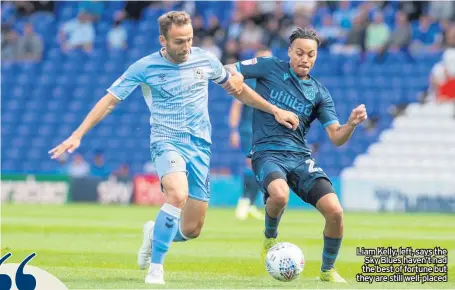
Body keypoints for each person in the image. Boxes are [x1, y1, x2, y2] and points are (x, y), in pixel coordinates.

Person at [48, 11, 299, 285]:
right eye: (179, 41)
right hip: (166, 140)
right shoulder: (144, 67)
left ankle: (155, 234)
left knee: (192, 229)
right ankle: (156, 268)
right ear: (163, 40)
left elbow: (238, 91)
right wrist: (78, 134)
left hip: (200, 146)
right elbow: (109, 101)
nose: (186, 46)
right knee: (177, 194)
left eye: (189, 39)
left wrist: (274, 110)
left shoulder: (205, 60)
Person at [225, 27, 367, 282]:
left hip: (300, 157)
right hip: (267, 152)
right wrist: (234, 75)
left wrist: (351, 125)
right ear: (289, 51)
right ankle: (270, 238)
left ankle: (327, 271)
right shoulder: (269, 67)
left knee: (335, 211)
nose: (305, 59)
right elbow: (228, 68)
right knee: (279, 195)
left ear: (316, 56)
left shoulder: (320, 93)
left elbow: (336, 137)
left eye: (311, 54)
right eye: (299, 52)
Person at [229, 48, 272, 220]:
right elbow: (236, 107)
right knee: (252, 165)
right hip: (248, 130)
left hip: (265, 132)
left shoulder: (271, 83)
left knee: (259, 167)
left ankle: (251, 204)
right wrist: (233, 130)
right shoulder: (246, 81)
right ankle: (244, 201)